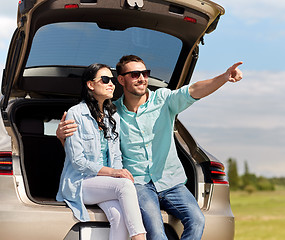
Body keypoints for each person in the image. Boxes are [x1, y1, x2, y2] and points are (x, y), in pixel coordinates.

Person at [57, 55, 243, 240]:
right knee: (155, 232)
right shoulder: (113, 113)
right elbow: (90, 149)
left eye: (145, 73)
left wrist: (224, 77)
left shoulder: (163, 100)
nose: (142, 78)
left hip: (171, 181)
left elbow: (193, 90)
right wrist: (62, 137)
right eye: (135, 74)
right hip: (138, 184)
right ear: (122, 79)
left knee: (197, 221)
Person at [56, 63, 146, 240]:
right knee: (125, 185)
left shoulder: (113, 116)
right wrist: (115, 173)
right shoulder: (76, 114)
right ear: (90, 85)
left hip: (105, 184)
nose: (111, 83)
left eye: (112, 80)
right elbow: (78, 162)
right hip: (81, 183)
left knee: (119, 217)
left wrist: (117, 173)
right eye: (105, 80)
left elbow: (116, 155)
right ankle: (139, 237)